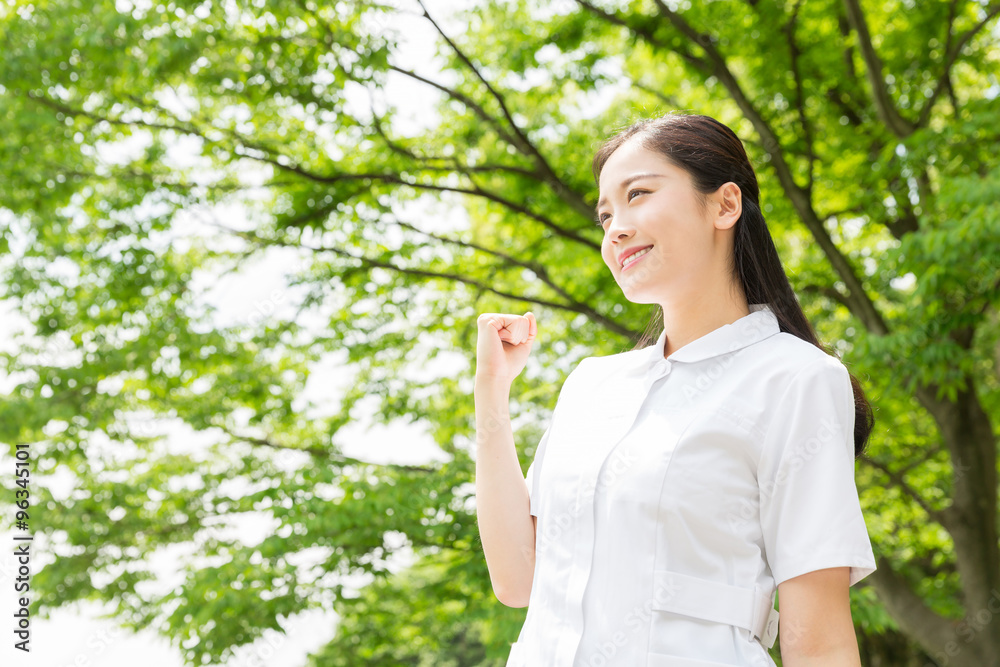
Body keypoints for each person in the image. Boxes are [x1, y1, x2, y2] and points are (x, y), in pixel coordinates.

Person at [474, 112, 877, 667]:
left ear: (725, 205)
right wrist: (491, 392)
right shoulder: (592, 384)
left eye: (638, 194)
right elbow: (519, 580)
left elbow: (821, 642)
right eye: (605, 215)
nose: (615, 228)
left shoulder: (796, 378)